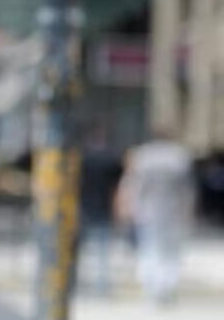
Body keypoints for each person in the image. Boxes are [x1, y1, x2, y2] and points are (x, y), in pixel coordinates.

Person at [117, 131, 194, 304]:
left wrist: (130, 209)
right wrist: (188, 211)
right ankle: (166, 287)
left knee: (149, 249)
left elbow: (134, 186)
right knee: (170, 252)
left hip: (148, 212)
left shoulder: (143, 156)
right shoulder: (179, 157)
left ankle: (152, 287)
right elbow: (187, 190)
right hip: (172, 212)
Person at [78, 124, 122, 295]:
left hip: (85, 208)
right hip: (103, 208)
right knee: (102, 252)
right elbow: (117, 185)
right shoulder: (111, 160)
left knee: (82, 251)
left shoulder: (83, 159)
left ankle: (83, 285)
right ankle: (101, 286)